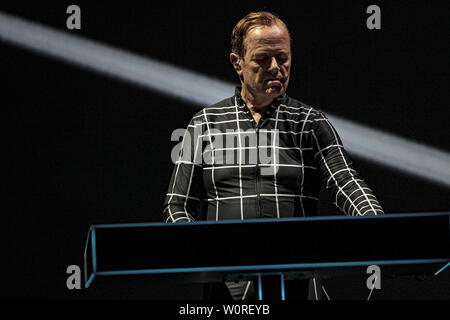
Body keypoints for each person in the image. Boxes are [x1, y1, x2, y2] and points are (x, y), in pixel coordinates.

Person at [163, 11, 383, 300]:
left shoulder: (310, 123)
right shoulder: (204, 124)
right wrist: (205, 247)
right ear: (237, 63)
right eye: (263, 59)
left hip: (298, 287)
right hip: (227, 292)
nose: (276, 67)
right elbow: (176, 207)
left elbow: (345, 182)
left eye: (283, 57)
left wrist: (376, 225)